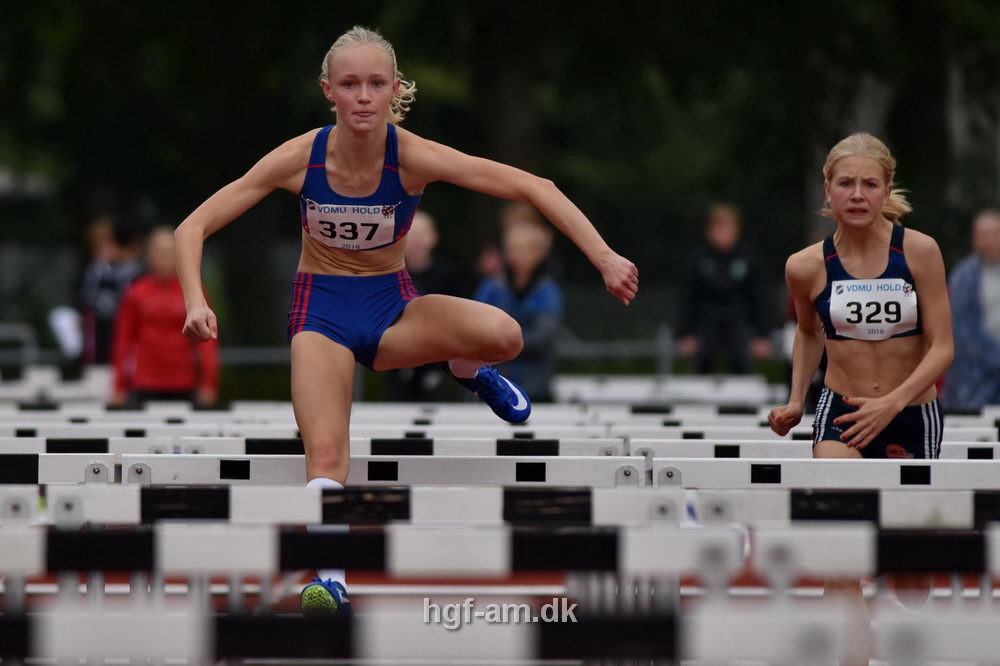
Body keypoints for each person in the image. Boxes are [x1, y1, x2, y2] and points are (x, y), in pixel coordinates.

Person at [173, 26, 637, 615]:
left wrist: (604, 257)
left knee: (506, 335)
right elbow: (192, 228)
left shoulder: (411, 156)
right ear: (328, 92)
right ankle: (334, 578)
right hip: (322, 311)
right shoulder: (300, 158)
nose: (363, 96)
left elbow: (533, 186)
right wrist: (195, 300)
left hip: (393, 308)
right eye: (349, 84)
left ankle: (469, 370)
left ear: (394, 90)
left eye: (374, 83)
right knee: (326, 454)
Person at [768, 132, 952, 458]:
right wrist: (796, 400)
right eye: (845, 184)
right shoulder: (804, 266)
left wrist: (892, 403)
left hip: (909, 411)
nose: (857, 195)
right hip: (843, 409)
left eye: (869, 185)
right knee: (839, 494)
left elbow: (943, 348)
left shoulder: (920, 251)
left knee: (905, 509)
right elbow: (809, 332)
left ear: (887, 191)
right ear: (827, 190)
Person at [112, 227, 219, 406]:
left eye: (170, 252)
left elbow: (208, 341)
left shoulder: (194, 292)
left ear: (180, 255)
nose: (165, 258)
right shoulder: (136, 293)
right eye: (160, 252)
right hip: (145, 381)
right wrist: (119, 385)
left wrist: (209, 382)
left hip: (183, 381)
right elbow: (124, 339)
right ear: (149, 255)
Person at [475, 209, 563, 402]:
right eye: (514, 249)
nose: (518, 255)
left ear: (539, 253)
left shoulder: (547, 290)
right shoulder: (491, 287)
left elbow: (543, 336)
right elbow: (475, 329)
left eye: (525, 249)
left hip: (534, 386)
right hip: (493, 384)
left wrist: (501, 343)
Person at [676, 203, 772, 374]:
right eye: (718, 228)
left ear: (737, 230)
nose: (723, 233)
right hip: (705, 324)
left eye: (728, 227)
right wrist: (685, 334)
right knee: (703, 357)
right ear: (709, 230)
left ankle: (743, 398)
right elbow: (687, 299)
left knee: (740, 357)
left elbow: (761, 298)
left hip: (740, 324)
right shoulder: (698, 260)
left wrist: (763, 336)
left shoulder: (749, 258)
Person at [385, 210, 461, 400]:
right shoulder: (389, 274)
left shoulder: (447, 273)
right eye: (412, 233)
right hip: (399, 356)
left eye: (422, 233)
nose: (417, 240)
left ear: (434, 238)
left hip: (437, 357)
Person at [942, 209, 1000, 410]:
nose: (984, 240)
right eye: (979, 234)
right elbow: (964, 330)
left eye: (990, 234)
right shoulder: (964, 276)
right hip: (976, 379)